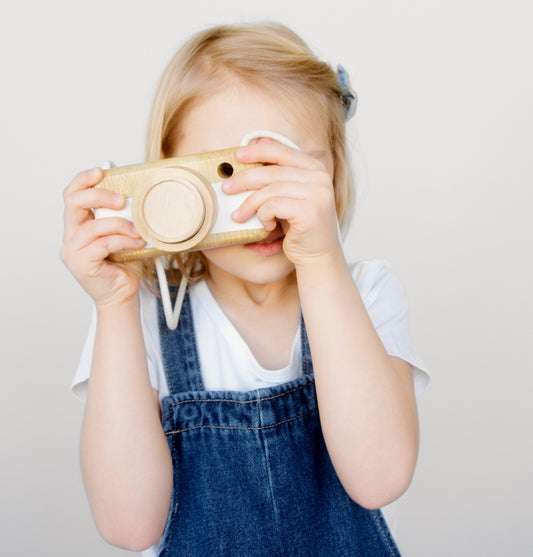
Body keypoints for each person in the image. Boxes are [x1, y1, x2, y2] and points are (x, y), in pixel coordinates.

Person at [62, 22, 428, 557]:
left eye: (282, 170)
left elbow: (378, 479)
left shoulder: (367, 293)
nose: (259, 208)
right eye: (225, 174)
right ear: (165, 181)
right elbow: (127, 526)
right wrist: (114, 303)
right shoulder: (139, 315)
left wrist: (321, 259)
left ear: (332, 173)